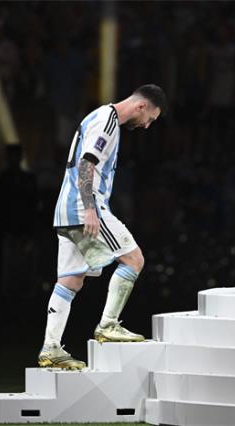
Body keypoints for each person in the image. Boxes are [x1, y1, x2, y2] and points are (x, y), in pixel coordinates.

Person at [38, 84, 168, 370]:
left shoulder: (101, 118)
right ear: (141, 106)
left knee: (70, 280)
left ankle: (51, 347)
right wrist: (89, 209)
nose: (147, 125)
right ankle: (108, 325)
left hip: (65, 210)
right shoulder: (107, 121)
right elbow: (87, 164)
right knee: (134, 259)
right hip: (83, 208)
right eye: (150, 119)